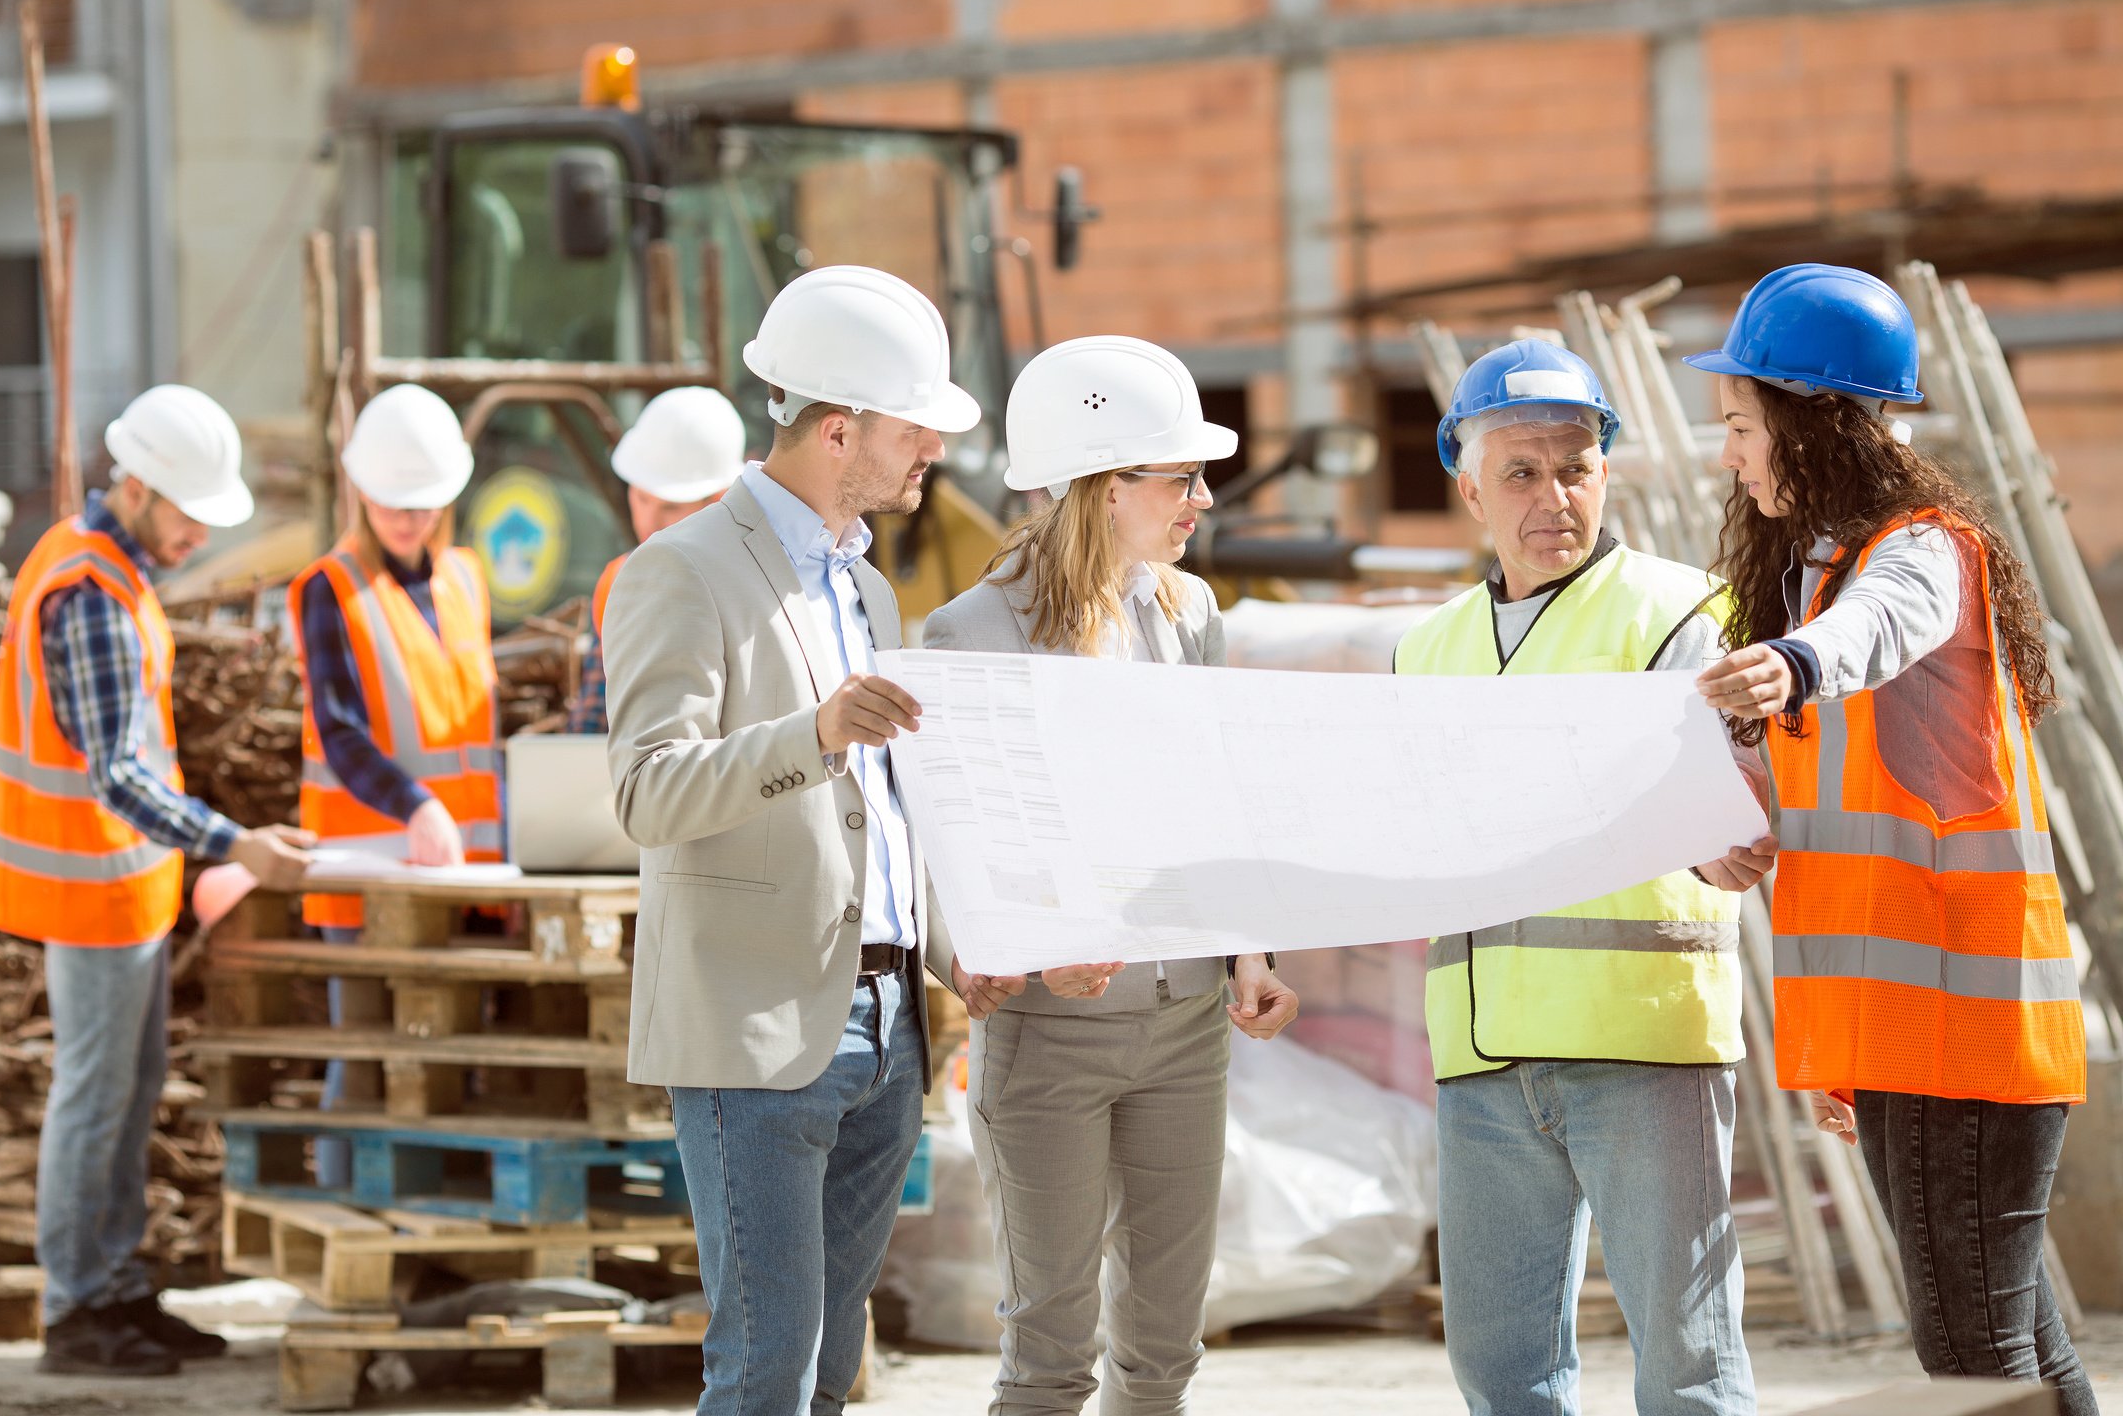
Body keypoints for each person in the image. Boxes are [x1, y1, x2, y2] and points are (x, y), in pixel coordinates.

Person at [602, 265, 1011, 1416]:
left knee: (831, 1374)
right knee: (766, 1371)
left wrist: (947, 950)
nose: (931, 448)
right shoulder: (679, 573)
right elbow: (645, 794)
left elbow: (887, 814)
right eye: (913, 425)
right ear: (840, 429)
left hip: (883, 1028)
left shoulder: (869, 592)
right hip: (758, 1031)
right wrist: (813, 733)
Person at [1691, 264, 2094, 1415]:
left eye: (1738, 425)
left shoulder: (1920, 553)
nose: (1729, 452)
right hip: (1919, 1032)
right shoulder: (1817, 572)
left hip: (1955, 1033)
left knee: (1973, 1367)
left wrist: (1799, 662)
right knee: (2018, 1350)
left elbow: (1882, 626)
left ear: (1813, 422)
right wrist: (1732, 832)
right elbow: (1833, 801)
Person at [1393, 340, 1775, 1416]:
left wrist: (1731, 832)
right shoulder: (1422, 652)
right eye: (1520, 471)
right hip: (1481, 1054)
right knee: (1503, 1375)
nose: (1552, 494)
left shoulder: (1683, 614)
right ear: (1468, 487)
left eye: (1576, 464)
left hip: (1641, 1040)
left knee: (1689, 1371)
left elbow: (1736, 800)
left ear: (1608, 471)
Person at [921, 335, 1300, 1416]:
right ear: (1099, 484)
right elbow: (943, 836)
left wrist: (1249, 952)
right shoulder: (971, 634)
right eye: (1177, 475)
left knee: (1165, 1353)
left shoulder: (1190, 615)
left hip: (1184, 1029)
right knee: (1050, 1358)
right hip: (1048, 1041)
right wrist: (996, 953)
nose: (1201, 495)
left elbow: (1214, 803)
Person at [0, 384, 314, 1377]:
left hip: (121, 888)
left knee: (123, 1094)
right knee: (96, 1098)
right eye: (188, 511)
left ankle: (116, 1288)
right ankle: (79, 1309)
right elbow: (115, 774)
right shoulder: (90, 591)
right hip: (89, 888)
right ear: (138, 486)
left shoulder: (105, 570)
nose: (199, 531)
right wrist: (234, 842)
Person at [291, 383, 501, 1185]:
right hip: (369, 866)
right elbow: (338, 729)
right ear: (361, 494)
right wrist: (416, 805)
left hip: (467, 869)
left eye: (422, 505)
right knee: (368, 1053)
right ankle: (349, 1205)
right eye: (390, 504)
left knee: (443, 1056)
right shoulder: (329, 588)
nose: (407, 520)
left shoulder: (466, 580)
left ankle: (427, 1210)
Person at [574, 385, 747, 733]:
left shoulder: (760, 584)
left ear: (719, 498)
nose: (648, 522)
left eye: (670, 506)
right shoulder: (617, 581)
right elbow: (593, 724)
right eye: (640, 499)